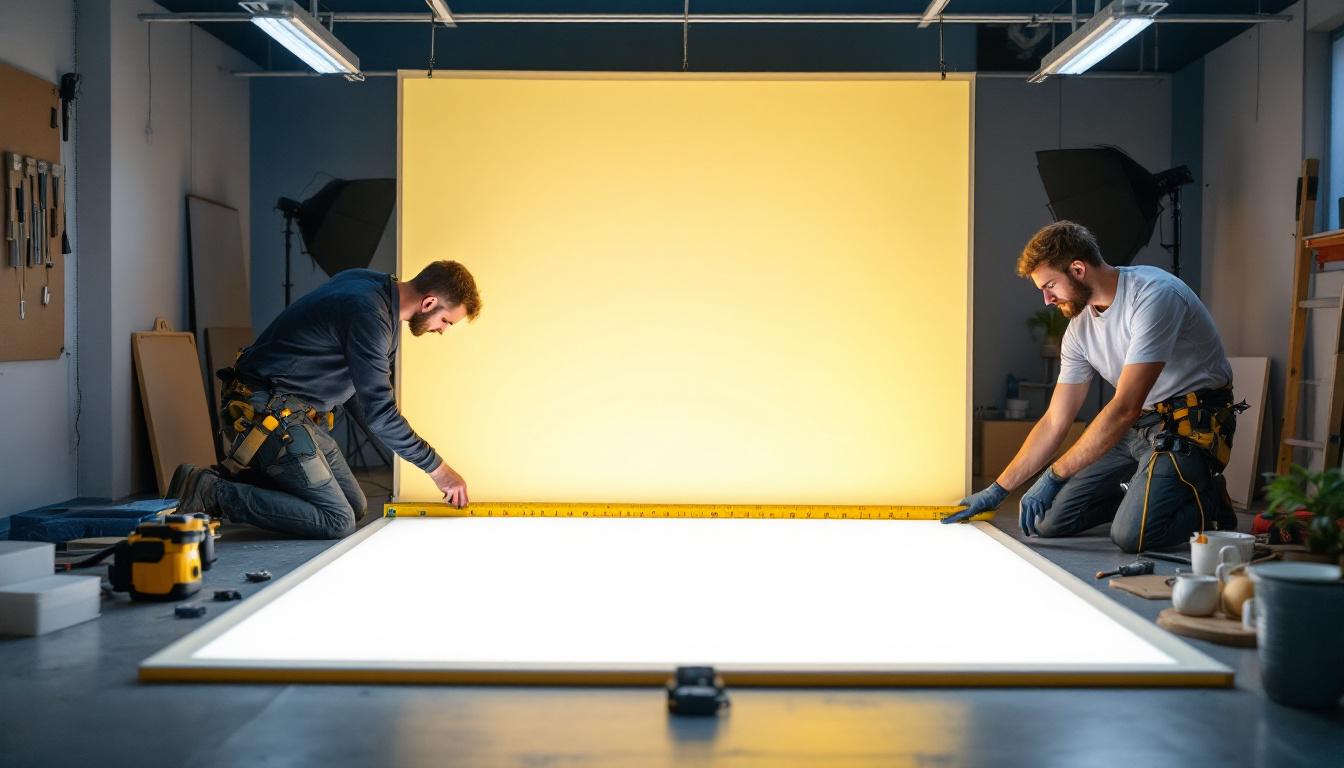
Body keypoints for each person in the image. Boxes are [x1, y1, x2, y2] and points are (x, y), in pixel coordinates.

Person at [945, 221, 1242, 553]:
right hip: (1136, 427)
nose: (1046, 299)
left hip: (1189, 425)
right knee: (1047, 521)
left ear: (1077, 269)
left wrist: (1054, 475)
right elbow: (1055, 420)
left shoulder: (1154, 295)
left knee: (1132, 536)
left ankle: (1211, 501)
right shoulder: (1078, 330)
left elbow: (1124, 406)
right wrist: (999, 490)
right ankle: (1140, 498)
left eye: (1050, 286)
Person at [166, 261, 480, 539]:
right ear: (429, 302)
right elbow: (380, 413)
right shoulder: (369, 314)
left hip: (297, 413)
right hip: (265, 411)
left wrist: (386, 433)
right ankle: (211, 491)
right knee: (337, 520)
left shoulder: (373, 285)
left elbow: (366, 399)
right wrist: (439, 471)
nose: (442, 330)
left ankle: (235, 480)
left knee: (355, 506)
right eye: (446, 322)